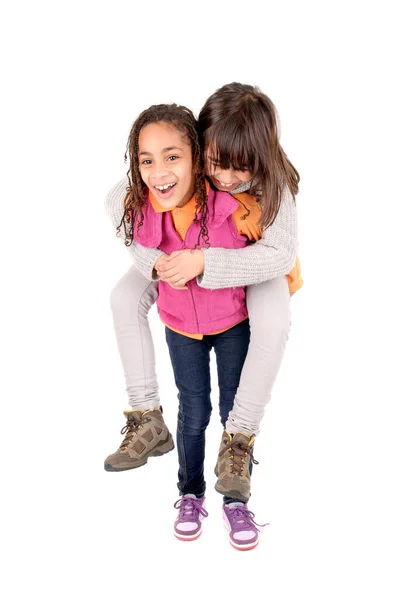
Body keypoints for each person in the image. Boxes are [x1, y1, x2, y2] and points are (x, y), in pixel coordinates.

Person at [105, 84, 302, 549]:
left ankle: (240, 439)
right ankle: (146, 414)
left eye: (241, 166)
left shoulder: (272, 184)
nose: (227, 176)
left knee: (273, 322)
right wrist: (153, 260)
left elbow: (278, 256)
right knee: (122, 297)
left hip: (257, 263)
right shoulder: (180, 165)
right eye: (215, 161)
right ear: (199, 143)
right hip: (181, 267)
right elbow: (120, 201)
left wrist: (206, 263)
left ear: (263, 156)